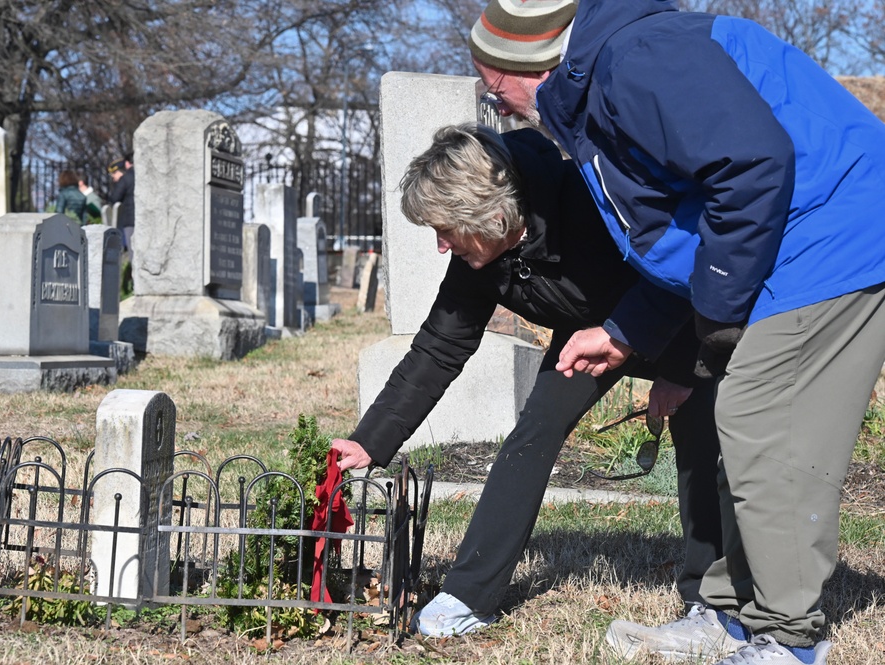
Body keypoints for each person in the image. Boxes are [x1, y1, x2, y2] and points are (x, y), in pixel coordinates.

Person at [469, 0, 885, 663]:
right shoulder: (602, 87)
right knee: (744, 426)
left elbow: (751, 166)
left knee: (762, 421)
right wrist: (627, 329)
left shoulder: (636, 63)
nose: (505, 111)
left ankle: (788, 636)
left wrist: (716, 311)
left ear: (533, 69)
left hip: (833, 233)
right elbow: (688, 225)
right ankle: (735, 616)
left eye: (496, 93)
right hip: (791, 239)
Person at [331, 123, 724, 638]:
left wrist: (679, 372)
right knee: (534, 430)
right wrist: (369, 441)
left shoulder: (589, 198)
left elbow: (684, 261)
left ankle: (710, 601)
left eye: (445, 229)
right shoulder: (482, 258)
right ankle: (469, 594)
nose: (441, 247)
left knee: (699, 436)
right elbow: (439, 348)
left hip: (679, 316)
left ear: (493, 215)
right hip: (588, 334)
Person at [108, 154, 135, 252]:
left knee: (132, 252)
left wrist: (117, 184)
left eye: (114, 173)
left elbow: (114, 198)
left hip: (130, 221)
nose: (112, 177)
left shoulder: (125, 179)